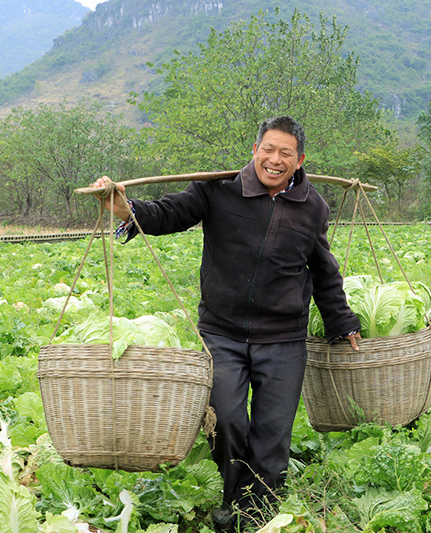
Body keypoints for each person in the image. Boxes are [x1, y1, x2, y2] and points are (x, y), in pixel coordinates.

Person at [92, 116, 361, 531]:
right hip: (222, 334)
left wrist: (342, 321)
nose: (275, 160)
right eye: (268, 149)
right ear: (255, 150)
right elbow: (169, 213)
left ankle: (259, 514)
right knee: (226, 421)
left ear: (300, 159)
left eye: (285, 153)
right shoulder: (217, 190)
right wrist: (127, 209)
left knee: (273, 433)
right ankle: (232, 500)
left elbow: (324, 272)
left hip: (283, 339)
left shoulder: (313, 208)